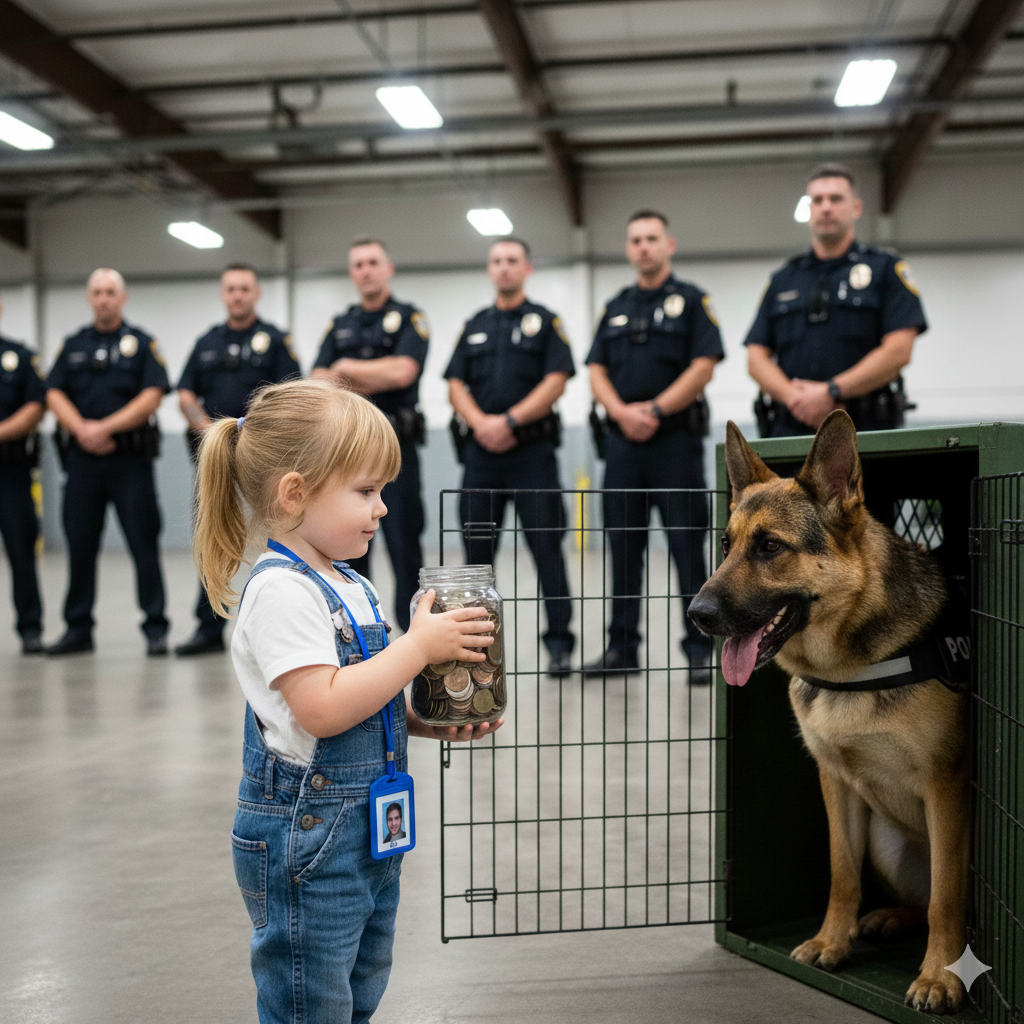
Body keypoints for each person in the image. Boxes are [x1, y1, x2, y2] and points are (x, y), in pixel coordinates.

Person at [193, 378, 501, 1024]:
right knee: (312, 998)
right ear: (295, 494)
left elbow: (362, 694)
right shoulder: (282, 592)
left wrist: (421, 722)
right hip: (308, 836)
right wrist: (418, 647)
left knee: (359, 986)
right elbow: (323, 709)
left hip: (367, 832)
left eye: (383, 491)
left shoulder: (351, 582)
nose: (382, 508)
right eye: (365, 492)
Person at [584, 210, 724, 681]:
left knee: (688, 547)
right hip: (622, 445)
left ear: (669, 244)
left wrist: (657, 410)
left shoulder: (693, 301)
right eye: (636, 240)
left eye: (651, 238)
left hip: (675, 443)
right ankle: (622, 648)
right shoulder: (615, 306)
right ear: (629, 249)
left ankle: (701, 652)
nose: (643, 246)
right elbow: (596, 369)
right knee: (623, 548)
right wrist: (622, 414)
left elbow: (704, 364)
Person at [444, 237, 576, 677]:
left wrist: (511, 421)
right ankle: (476, 647)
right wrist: (482, 424)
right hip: (481, 458)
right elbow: (455, 384)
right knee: (477, 558)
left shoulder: (545, 322)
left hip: (532, 455)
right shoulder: (475, 325)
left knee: (547, 550)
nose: (504, 267)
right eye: (497, 260)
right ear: (490, 269)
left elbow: (557, 379)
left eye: (512, 260)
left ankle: (559, 645)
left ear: (527, 268)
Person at [746, 162, 927, 437]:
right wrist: (797, 400)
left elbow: (899, 350)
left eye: (836, 199)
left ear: (856, 208)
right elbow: (755, 358)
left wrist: (831, 392)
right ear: (808, 210)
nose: (826, 207)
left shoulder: (885, 269)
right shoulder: (783, 278)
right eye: (817, 200)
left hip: (865, 432)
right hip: (790, 432)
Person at [174, 262, 300, 656]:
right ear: (223, 294)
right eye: (231, 288)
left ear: (256, 293)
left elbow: (289, 395)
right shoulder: (207, 342)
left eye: (245, 288)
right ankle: (208, 627)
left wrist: (254, 435)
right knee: (213, 537)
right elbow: (185, 394)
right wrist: (209, 431)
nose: (238, 295)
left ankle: (279, 623)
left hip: (264, 459)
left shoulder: (276, 341)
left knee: (276, 537)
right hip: (216, 458)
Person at [44, 268, 171, 657]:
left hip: (130, 462)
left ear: (122, 298)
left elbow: (153, 394)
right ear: (89, 298)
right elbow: (53, 392)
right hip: (82, 463)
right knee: (80, 546)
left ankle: (155, 627)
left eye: (110, 292)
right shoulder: (73, 345)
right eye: (97, 292)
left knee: (143, 545)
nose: (104, 299)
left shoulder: (142, 343)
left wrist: (105, 428)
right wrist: (82, 429)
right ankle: (78, 628)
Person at [312, 237, 428, 634]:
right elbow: (318, 379)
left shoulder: (410, 318)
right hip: (347, 455)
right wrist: (372, 374)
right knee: (348, 546)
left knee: (403, 546)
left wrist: (345, 369)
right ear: (352, 273)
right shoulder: (340, 324)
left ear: (388, 269)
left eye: (373, 262)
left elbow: (403, 372)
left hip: (396, 451)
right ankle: (360, 635)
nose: (366, 270)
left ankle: (415, 638)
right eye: (358, 264)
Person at [0, 298, 45, 654]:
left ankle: (30, 629)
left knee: (21, 550)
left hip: (9, 470)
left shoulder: (19, 356)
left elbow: (36, 405)